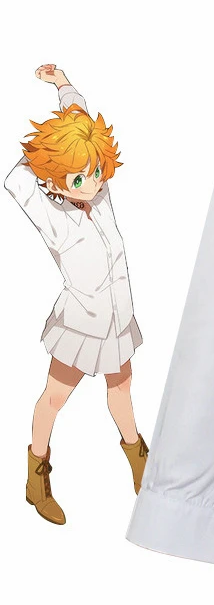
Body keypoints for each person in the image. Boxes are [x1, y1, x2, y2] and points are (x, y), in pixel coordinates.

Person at [5, 64, 147, 525]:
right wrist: (47, 152)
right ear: (54, 180)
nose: (96, 182)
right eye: (81, 177)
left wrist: (63, 85)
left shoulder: (99, 197)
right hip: (81, 326)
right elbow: (19, 177)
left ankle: (140, 461)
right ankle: (36, 476)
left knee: (121, 392)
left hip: (117, 319)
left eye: (97, 171)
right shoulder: (49, 212)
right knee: (54, 399)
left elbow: (81, 122)